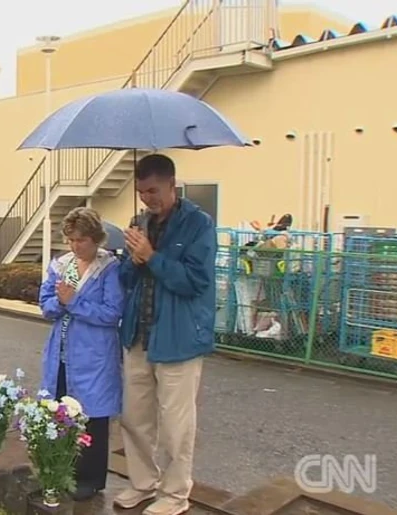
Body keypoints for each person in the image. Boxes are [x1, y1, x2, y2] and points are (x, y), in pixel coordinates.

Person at [115, 154, 217, 515]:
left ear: (173, 185)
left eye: (154, 191)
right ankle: (143, 483)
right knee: (134, 418)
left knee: (176, 426)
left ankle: (175, 495)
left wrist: (152, 257)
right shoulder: (138, 222)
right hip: (138, 335)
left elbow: (196, 282)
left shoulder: (198, 225)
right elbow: (125, 280)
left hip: (179, 339)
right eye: (142, 192)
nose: (147, 199)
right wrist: (132, 257)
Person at [38, 207, 125, 501]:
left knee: (93, 417)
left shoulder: (109, 268)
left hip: (95, 353)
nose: (76, 246)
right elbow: (47, 303)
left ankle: (90, 478)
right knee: (61, 410)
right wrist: (60, 303)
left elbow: (112, 313)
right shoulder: (63, 266)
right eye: (72, 240)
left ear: (96, 239)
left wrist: (74, 302)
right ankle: (62, 469)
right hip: (62, 352)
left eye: (82, 240)